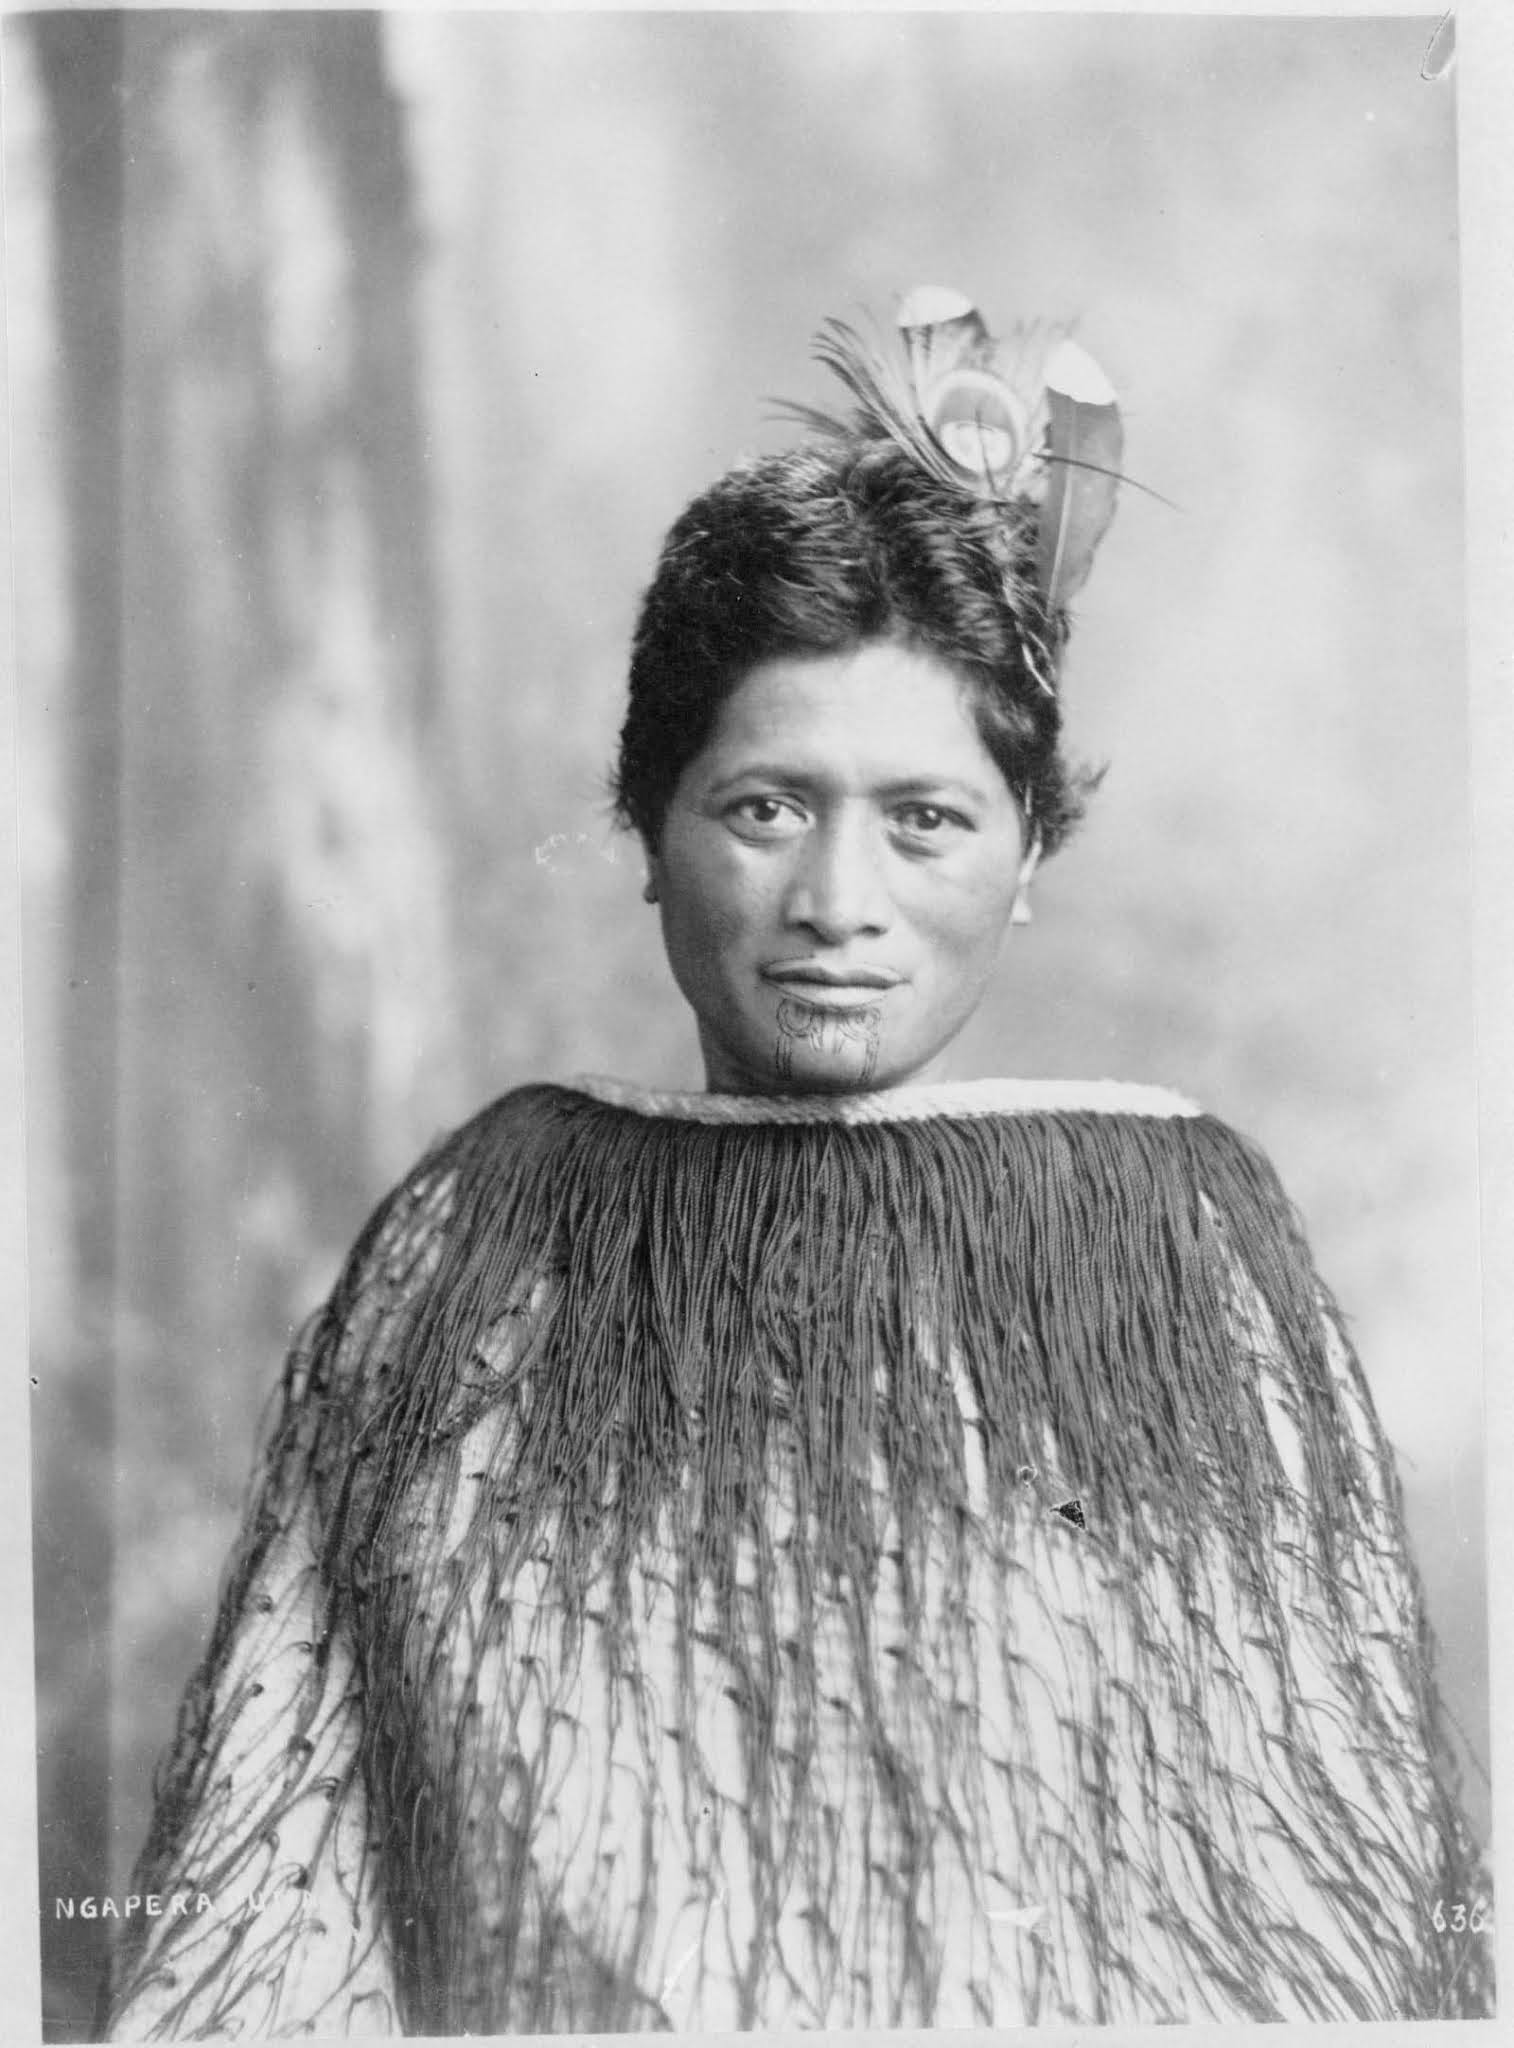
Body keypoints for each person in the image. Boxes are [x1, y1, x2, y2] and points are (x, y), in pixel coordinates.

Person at [104, 289, 1491, 2035]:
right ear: (646, 825)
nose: (838, 904)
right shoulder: (478, 1245)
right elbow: (283, 1845)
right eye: (765, 807)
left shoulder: (1169, 1262)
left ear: (1030, 854)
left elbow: (1297, 1882)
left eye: (926, 820)